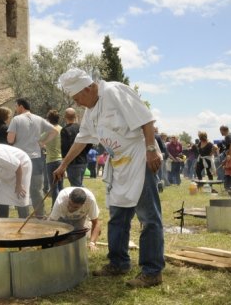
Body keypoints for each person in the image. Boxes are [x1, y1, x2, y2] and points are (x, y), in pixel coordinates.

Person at [54, 68, 164, 288]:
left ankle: (152, 271)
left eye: (78, 98)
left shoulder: (115, 91)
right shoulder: (91, 111)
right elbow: (82, 139)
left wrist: (151, 148)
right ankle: (118, 262)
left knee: (148, 217)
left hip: (139, 158)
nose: (78, 103)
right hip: (119, 165)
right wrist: (63, 164)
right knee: (118, 215)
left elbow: (146, 120)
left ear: (88, 87)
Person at [7, 98, 58, 218]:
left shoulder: (16, 119)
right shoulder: (39, 119)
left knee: (20, 188)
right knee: (36, 190)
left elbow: (10, 139)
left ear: (21, 106)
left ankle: (23, 216)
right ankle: (40, 215)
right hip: (36, 158)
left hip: (20, 158)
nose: (15, 109)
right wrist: (43, 142)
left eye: (16, 106)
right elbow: (55, 131)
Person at [48, 187, 101, 252]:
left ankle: (87, 226)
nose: (71, 208)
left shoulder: (90, 201)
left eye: (75, 207)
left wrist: (92, 243)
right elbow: (51, 223)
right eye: (70, 204)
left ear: (83, 204)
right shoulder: (61, 200)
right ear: (69, 197)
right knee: (60, 241)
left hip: (80, 218)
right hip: (62, 218)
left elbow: (96, 223)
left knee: (77, 239)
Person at [60, 108, 90, 187]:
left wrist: (63, 164)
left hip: (72, 162)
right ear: (76, 116)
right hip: (83, 160)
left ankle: (85, 197)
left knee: (76, 186)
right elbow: (89, 143)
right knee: (79, 183)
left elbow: (64, 148)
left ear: (65, 117)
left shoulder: (65, 130)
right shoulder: (82, 128)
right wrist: (83, 153)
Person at [43, 110, 63, 206]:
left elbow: (38, 140)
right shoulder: (61, 129)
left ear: (49, 119)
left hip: (51, 161)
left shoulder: (49, 130)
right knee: (60, 186)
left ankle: (54, 209)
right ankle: (62, 208)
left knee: (53, 188)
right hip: (61, 160)